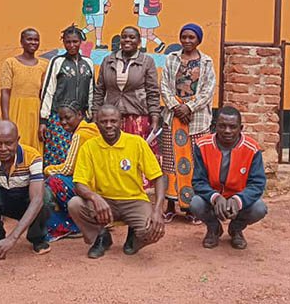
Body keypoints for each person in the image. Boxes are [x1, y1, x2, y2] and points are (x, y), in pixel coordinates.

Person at [68, 105, 166, 259]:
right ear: (97, 123)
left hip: (134, 201)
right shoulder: (89, 147)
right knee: (75, 204)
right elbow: (79, 183)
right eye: (103, 121)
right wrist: (95, 197)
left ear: (121, 122)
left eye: (113, 121)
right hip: (105, 203)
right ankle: (101, 237)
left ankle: (135, 238)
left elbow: (158, 177)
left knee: (155, 229)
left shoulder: (137, 143)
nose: (108, 125)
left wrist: (158, 209)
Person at [0, 120, 52, 258]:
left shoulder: (32, 156)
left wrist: (12, 239)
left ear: (17, 140)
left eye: (8, 143)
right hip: (5, 199)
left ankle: (38, 238)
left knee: (44, 196)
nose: (2, 148)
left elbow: (36, 200)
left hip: (27, 202)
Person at [160, 23, 216, 222]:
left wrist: (189, 108)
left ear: (198, 40)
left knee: (195, 162)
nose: (187, 41)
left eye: (192, 37)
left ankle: (193, 207)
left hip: (197, 120)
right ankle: (170, 205)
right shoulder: (171, 58)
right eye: (184, 37)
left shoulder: (207, 62)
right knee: (171, 162)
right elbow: (164, 86)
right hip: (172, 118)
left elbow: (208, 91)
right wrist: (177, 107)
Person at [190, 107, 267, 250]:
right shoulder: (202, 145)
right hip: (212, 198)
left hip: (239, 199)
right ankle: (214, 229)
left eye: (232, 127)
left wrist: (238, 200)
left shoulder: (252, 148)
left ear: (240, 128)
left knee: (259, 208)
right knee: (195, 203)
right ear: (215, 126)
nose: (227, 131)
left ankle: (236, 229)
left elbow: (257, 184)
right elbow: (198, 181)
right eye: (222, 126)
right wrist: (215, 197)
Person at [93, 26, 160, 171]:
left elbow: (153, 92)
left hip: (137, 118)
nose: (127, 40)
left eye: (132, 37)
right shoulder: (108, 60)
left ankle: (139, 189)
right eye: (124, 37)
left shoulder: (146, 61)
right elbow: (99, 90)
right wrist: (95, 115)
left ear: (139, 42)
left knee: (135, 156)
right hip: (111, 118)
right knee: (112, 155)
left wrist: (154, 117)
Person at [39, 25, 95, 169]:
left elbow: (91, 91)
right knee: (58, 155)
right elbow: (48, 89)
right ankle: (53, 187)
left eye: (75, 42)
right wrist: (43, 120)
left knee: (79, 156)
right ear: (63, 42)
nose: (71, 45)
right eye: (68, 42)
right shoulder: (57, 62)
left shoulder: (88, 63)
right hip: (59, 118)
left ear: (80, 42)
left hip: (81, 118)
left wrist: (91, 116)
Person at [43, 101, 100, 241]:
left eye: (67, 118)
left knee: (53, 182)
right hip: (100, 184)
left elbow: (68, 169)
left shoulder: (80, 135)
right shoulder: (93, 130)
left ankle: (69, 225)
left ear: (80, 115)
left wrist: (47, 170)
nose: (63, 122)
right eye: (61, 119)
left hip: (91, 186)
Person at [0, 28, 48, 154]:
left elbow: (43, 94)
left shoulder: (44, 65)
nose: (33, 42)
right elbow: (5, 92)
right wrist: (6, 120)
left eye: (36, 40)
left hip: (34, 112)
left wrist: (43, 120)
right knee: (14, 145)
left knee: (33, 149)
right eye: (29, 39)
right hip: (15, 110)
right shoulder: (10, 63)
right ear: (21, 42)